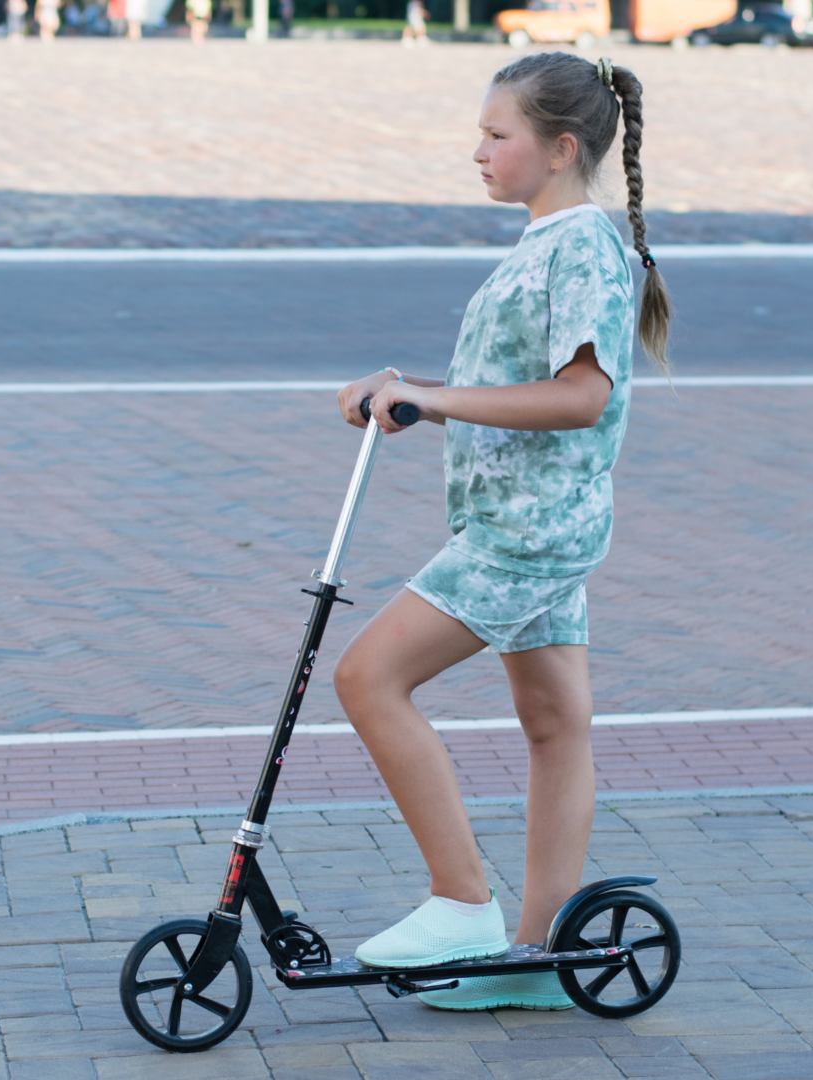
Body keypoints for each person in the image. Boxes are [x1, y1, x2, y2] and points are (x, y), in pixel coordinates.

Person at [332, 52, 671, 1013]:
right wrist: (409, 397)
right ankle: (536, 958)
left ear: (561, 149)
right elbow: (513, 381)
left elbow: (580, 396)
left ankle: (461, 903)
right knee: (556, 724)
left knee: (367, 676)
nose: (477, 150)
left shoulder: (582, 250)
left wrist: (430, 400)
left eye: (497, 134)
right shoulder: (544, 243)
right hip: (526, 521)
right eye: (480, 133)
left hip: (528, 533)